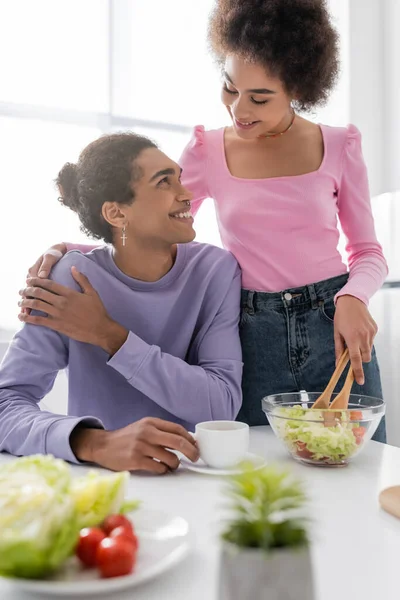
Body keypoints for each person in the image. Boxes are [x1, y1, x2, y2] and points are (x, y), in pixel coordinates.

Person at [27, 0, 387, 442]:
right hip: (253, 332)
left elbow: (367, 251)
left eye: (259, 97)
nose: (239, 109)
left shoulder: (339, 145)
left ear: (297, 86)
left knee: (358, 469)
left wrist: (354, 297)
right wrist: (74, 248)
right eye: (230, 88)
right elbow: (153, 224)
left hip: (336, 321)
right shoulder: (207, 151)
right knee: (262, 477)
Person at [0, 132, 243, 473]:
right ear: (116, 213)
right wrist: (95, 443)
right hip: (99, 480)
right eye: (163, 182)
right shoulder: (69, 280)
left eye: (180, 178)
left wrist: (110, 336)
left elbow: (221, 406)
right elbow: (5, 404)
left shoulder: (215, 270)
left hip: (194, 475)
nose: (187, 194)